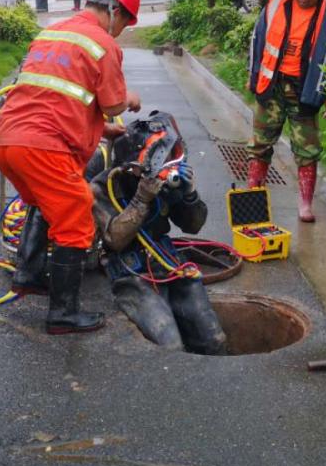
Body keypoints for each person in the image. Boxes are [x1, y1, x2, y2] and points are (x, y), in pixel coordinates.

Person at [0, 0, 142, 334]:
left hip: (8, 141)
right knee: (76, 213)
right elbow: (113, 104)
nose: (120, 30)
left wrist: (98, 129)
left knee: (46, 203)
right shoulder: (102, 43)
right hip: (44, 147)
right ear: (113, 11)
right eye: (123, 22)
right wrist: (129, 101)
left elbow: (57, 97)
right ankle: (63, 314)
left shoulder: (53, 32)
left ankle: (27, 274)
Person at [88, 112, 228, 355]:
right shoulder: (105, 187)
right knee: (169, 344)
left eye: (176, 154)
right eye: (168, 156)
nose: (174, 162)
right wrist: (142, 198)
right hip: (128, 269)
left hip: (167, 259)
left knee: (212, 338)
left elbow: (192, 226)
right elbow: (115, 240)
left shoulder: (167, 181)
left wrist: (189, 194)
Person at [245, 0, 326, 223]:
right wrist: (252, 76)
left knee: (307, 149)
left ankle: (305, 204)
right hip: (272, 87)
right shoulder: (275, 4)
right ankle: (254, 193)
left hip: (306, 90)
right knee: (259, 144)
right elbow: (257, 40)